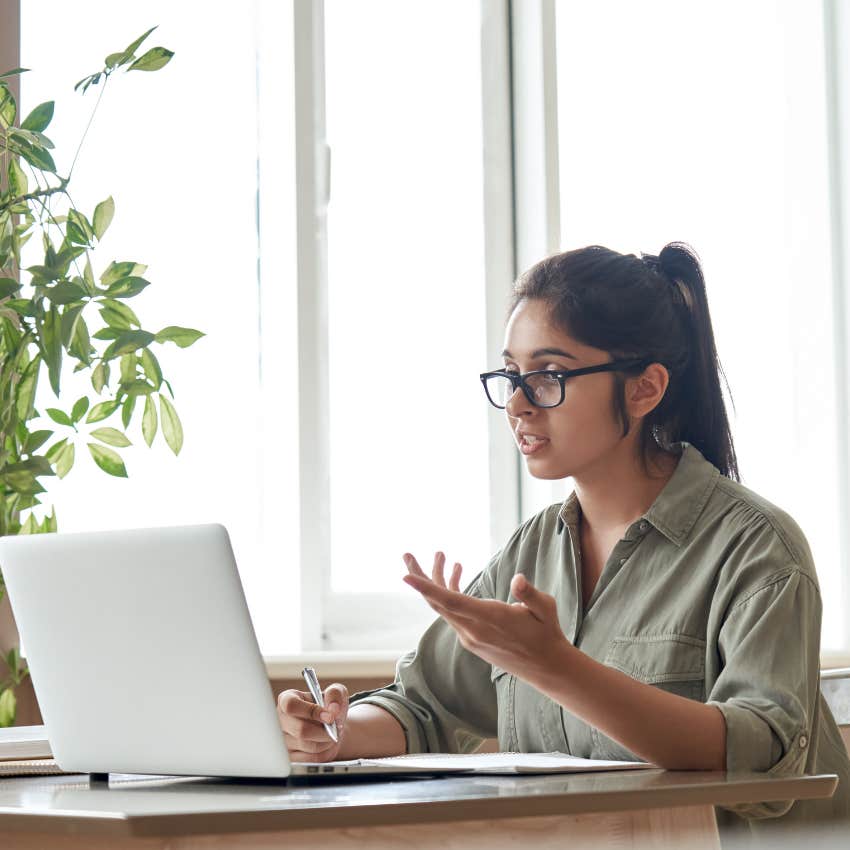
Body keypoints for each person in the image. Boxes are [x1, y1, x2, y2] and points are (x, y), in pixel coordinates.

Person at [277, 242, 850, 840]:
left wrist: (557, 668)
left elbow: (764, 760)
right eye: (512, 376)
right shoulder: (533, 552)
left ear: (644, 388)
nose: (519, 404)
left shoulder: (758, 549)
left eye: (549, 376)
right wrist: (334, 730)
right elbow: (422, 706)